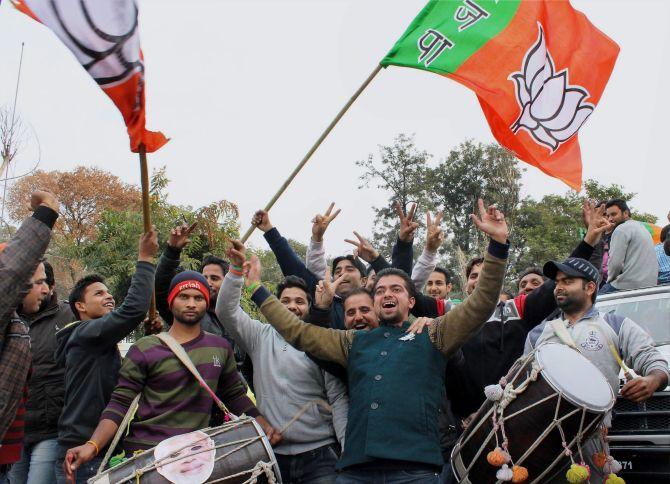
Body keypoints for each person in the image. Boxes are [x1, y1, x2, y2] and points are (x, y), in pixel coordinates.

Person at [245, 199, 509, 483]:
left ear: (410, 301)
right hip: (356, 472)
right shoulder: (353, 341)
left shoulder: (434, 333)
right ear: (374, 302)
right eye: (380, 290)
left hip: (417, 471)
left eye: (395, 289)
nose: (386, 294)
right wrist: (256, 290)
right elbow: (299, 332)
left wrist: (497, 245)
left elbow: (481, 303)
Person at [63, 271, 275, 482]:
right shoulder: (144, 348)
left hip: (195, 458)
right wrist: (92, 445)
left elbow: (235, 396)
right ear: (171, 301)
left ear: (206, 301)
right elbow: (119, 403)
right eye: (184, 297)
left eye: (198, 297)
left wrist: (263, 424)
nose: (191, 303)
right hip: (147, 459)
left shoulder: (220, 347)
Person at [444, 202, 611, 424]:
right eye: (474, 276)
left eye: (487, 275)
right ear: (466, 284)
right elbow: (406, 298)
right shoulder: (447, 317)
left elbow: (560, 281)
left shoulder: (519, 311)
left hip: (513, 420)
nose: (480, 280)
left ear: (496, 280)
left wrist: (589, 241)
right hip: (460, 425)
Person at [525, 257, 669, 482]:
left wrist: (653, 380)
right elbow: (522, 382)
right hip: (542, 436)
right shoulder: (537, 334)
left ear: (590, 287)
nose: (559, 287)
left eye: (568, 281)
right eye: (557, 282)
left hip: (592, 439)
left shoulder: (615, 325)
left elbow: (653, 360)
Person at [217, 241, 348, 484]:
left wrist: (348, 450)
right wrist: (235, 271)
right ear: (274, 305)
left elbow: (339, 399)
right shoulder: (258, 335)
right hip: (270, 454)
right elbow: (226, 311)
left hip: (321, 456)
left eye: (299, 301)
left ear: (309, 306)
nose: (292, 306)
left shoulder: (320, 340)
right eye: (285, 301)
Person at [54, 230, 158, 483]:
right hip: (85, 450)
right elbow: (133, 309)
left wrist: (147, 336)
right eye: (99, 293)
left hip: (97, 447)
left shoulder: (94, 341)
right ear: (80, 306)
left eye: (108, 291)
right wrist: (145, 258)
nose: (109, 296)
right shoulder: (85, 333)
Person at [0, 190, 59, 481]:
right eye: (35, 283)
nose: (45, 289)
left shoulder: (13, 324)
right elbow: (8, 273)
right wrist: (45, 214)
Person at [5, 260, 74, 484]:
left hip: (50, 427)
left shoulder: (68, 316)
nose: (44, 289)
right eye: (38, 283)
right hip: (15, 428)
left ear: (52, 286)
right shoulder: (10, 320)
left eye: (46, 283)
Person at [154, 224, 250, 382]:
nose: (208, 283)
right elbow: (161, 290)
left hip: (230, 398)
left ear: (228, 281)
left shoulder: (239, 319)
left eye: (214, 278)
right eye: (204, 277)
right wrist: (172, 252)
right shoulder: (187, 314)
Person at [601, 199, 657, 293]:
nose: (610, 219)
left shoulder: (621, 229)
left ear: (626, 213)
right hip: (650, 285)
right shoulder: (642, 227)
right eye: (608, 216)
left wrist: (609, 281)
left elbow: (615, 264)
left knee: (591, 303)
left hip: (628, 285)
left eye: (614, 214)